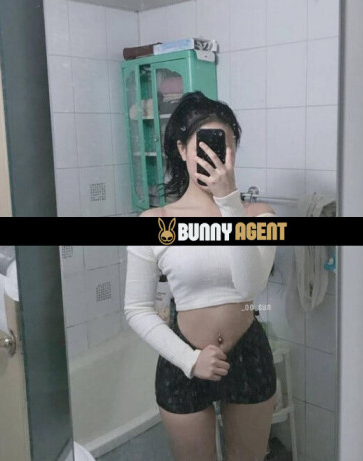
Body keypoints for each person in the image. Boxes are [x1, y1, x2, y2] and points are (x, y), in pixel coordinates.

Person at [124, 91, 278, 461]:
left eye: (226, 144)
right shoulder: (155, 221)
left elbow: (250, 286)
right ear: (182, 150)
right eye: (204, 146)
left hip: (248, 353)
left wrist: (229, 203)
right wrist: (189, 359)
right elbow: (136, 309)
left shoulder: (260, 215)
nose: (216, 155)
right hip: (183, 359)